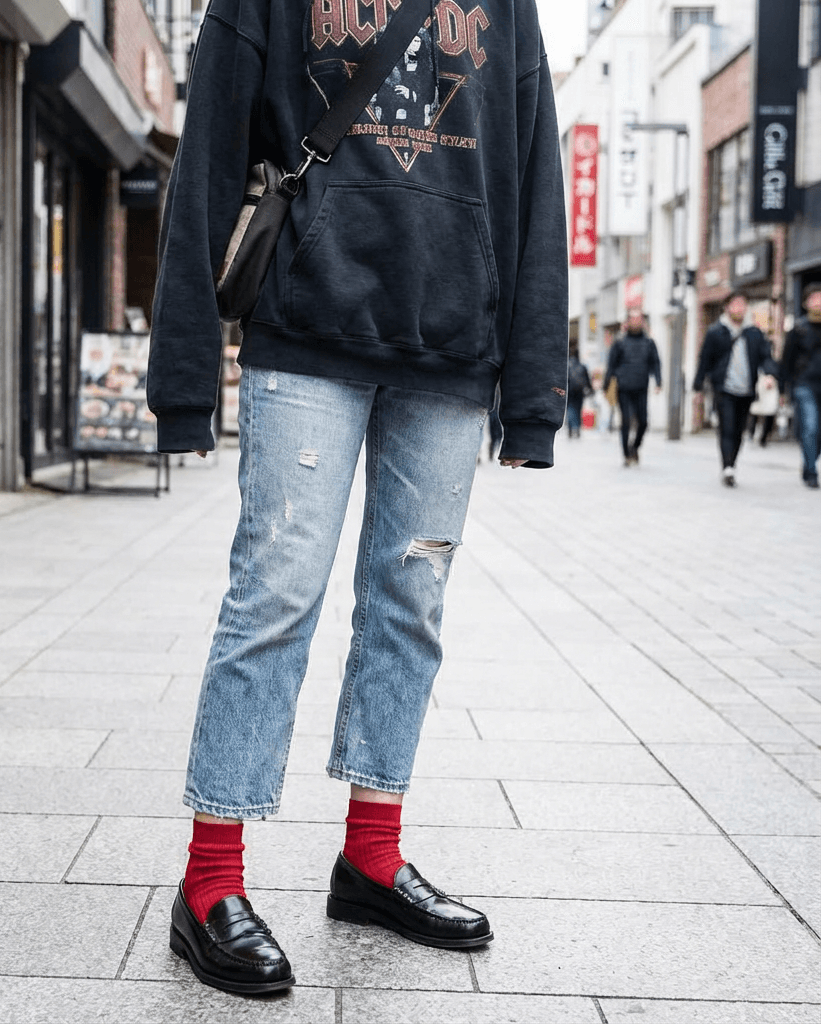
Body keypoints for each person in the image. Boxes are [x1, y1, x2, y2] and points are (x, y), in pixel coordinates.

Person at [146, 0, 568, 996]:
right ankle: (209, 883)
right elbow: (206, 152)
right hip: (306, 329)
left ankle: (371, 861)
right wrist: (183, 378)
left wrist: (534, 392)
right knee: (274, 599)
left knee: (408, 606)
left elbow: (533, 174)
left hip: (455, 346)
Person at [693, 292, 779, 487]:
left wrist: (769, 375)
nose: (739, 308)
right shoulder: (716, 332)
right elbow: (705, 359)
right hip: (724, 388)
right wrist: (698, 385)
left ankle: (732, 463)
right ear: (727, 308)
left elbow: (766, 356)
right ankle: (727, 467)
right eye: (735, 305)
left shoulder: (754, 333)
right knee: (727, 427)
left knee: (739, 430)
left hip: (746, 390)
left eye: (743, 305)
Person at [603, 310, 662, 466]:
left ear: (642, 322)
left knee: (643, 422)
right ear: (627, 322)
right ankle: (626, 455)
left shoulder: (649, 343)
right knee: (626, 421)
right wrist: (606, 385)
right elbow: (611, 364)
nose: (636, 322)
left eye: (639, 319)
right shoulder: (620, 342)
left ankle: (634, 447)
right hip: (624, 388)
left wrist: (658, 382)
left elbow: (655, 363)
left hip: (641, 387)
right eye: (633, 319)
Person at [780, 282, 821, 488]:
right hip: (805, 384)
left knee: (817, 432)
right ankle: (812, 472)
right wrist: (783, 388)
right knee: (811, 427)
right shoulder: (799, 328)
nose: (818, 303)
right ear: (806, 303)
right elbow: (786, 360)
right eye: (814, 299)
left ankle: (808, 462)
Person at [566, 344, 592, 438]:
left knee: (570, 409)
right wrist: (591, 390)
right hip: (579, 391)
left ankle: (570, 429)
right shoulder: (582, 366)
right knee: (578, 409)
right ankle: (577, 428)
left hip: (569, 391)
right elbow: (588, 380)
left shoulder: (567, 366)